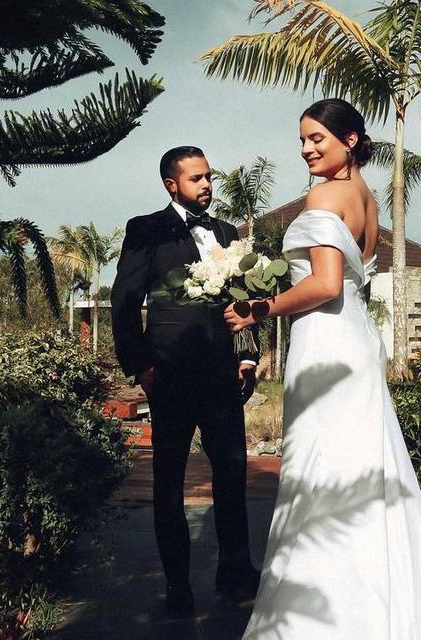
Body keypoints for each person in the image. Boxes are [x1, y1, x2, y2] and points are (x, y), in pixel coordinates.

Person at [225, 99, 421, 639]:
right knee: (364, 467)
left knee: (322, 468)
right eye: (303, 140)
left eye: (317, 138)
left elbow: (326, 284)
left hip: (327, 341)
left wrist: (258, 309)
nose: (307, 149)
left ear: (351, 140)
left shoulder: (325, 194)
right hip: (355, 340)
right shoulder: (368, 200)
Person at [111, 146, 260, 616]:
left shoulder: (227, 233)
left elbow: (243, 303)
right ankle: (178, 585)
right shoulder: (145, 230)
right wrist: (142, 368)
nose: (207, 185)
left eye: (209, 176)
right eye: (196, 178)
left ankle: (235, 573)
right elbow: (124, 302)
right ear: (171, 185)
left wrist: (248, 357)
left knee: (233, 475)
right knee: (168, 483)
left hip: (221, 376)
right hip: (170, 376)